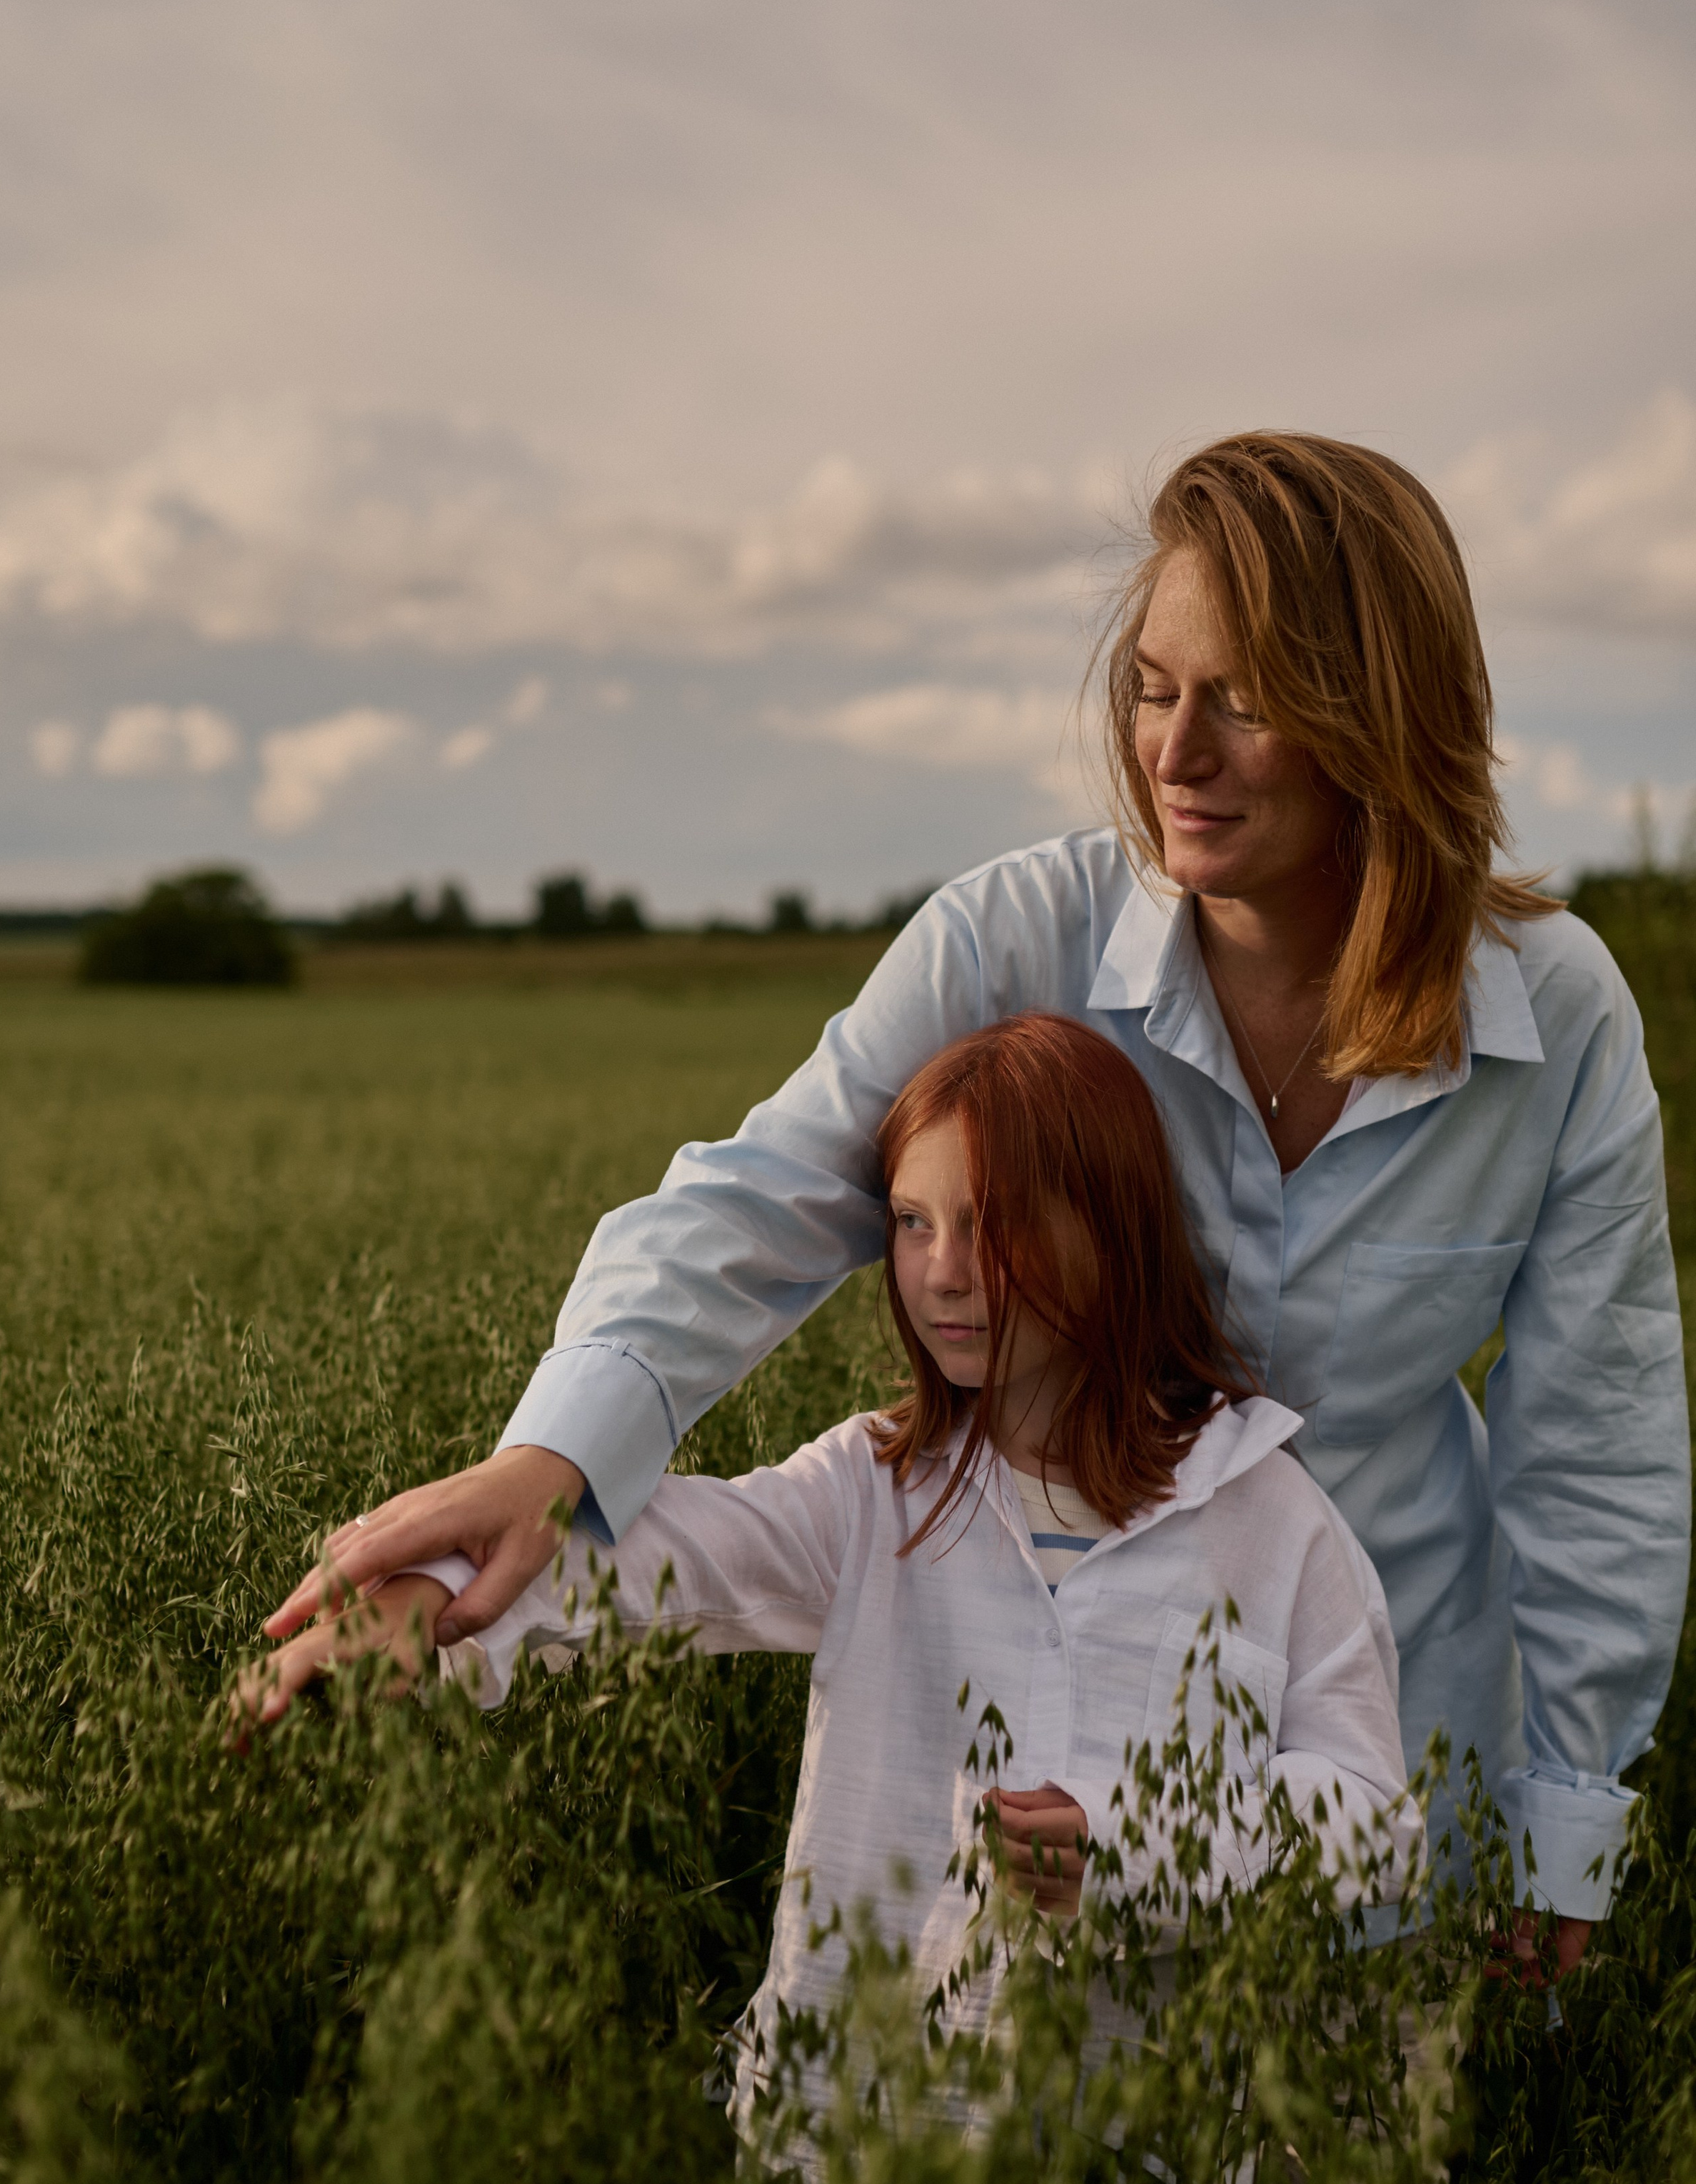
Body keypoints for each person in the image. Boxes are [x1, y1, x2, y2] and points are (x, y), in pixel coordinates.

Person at [264, 431, 1690, 1978]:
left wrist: (1564, 1811)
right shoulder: (1018, 940)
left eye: (1244, 699)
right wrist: (548, 1464)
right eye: (1152, 688)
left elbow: (1595, 1443)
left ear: (1382, 712)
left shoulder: (1554, 1017)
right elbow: (763, 1196)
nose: (1175, 753)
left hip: (1382, 1797)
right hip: (1041, 1773)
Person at [239, 1016, 1419, 2128]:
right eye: (912, 1221)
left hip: (1135, 2176)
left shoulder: (1269, 1518)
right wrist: (427, 1595)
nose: (943, 1270)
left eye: (992, 1223)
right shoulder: (874, 1488)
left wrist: (1126, 1847)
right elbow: (661, 1553)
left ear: (1113, 1230)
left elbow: (1371, 1820)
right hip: (849, 2150)